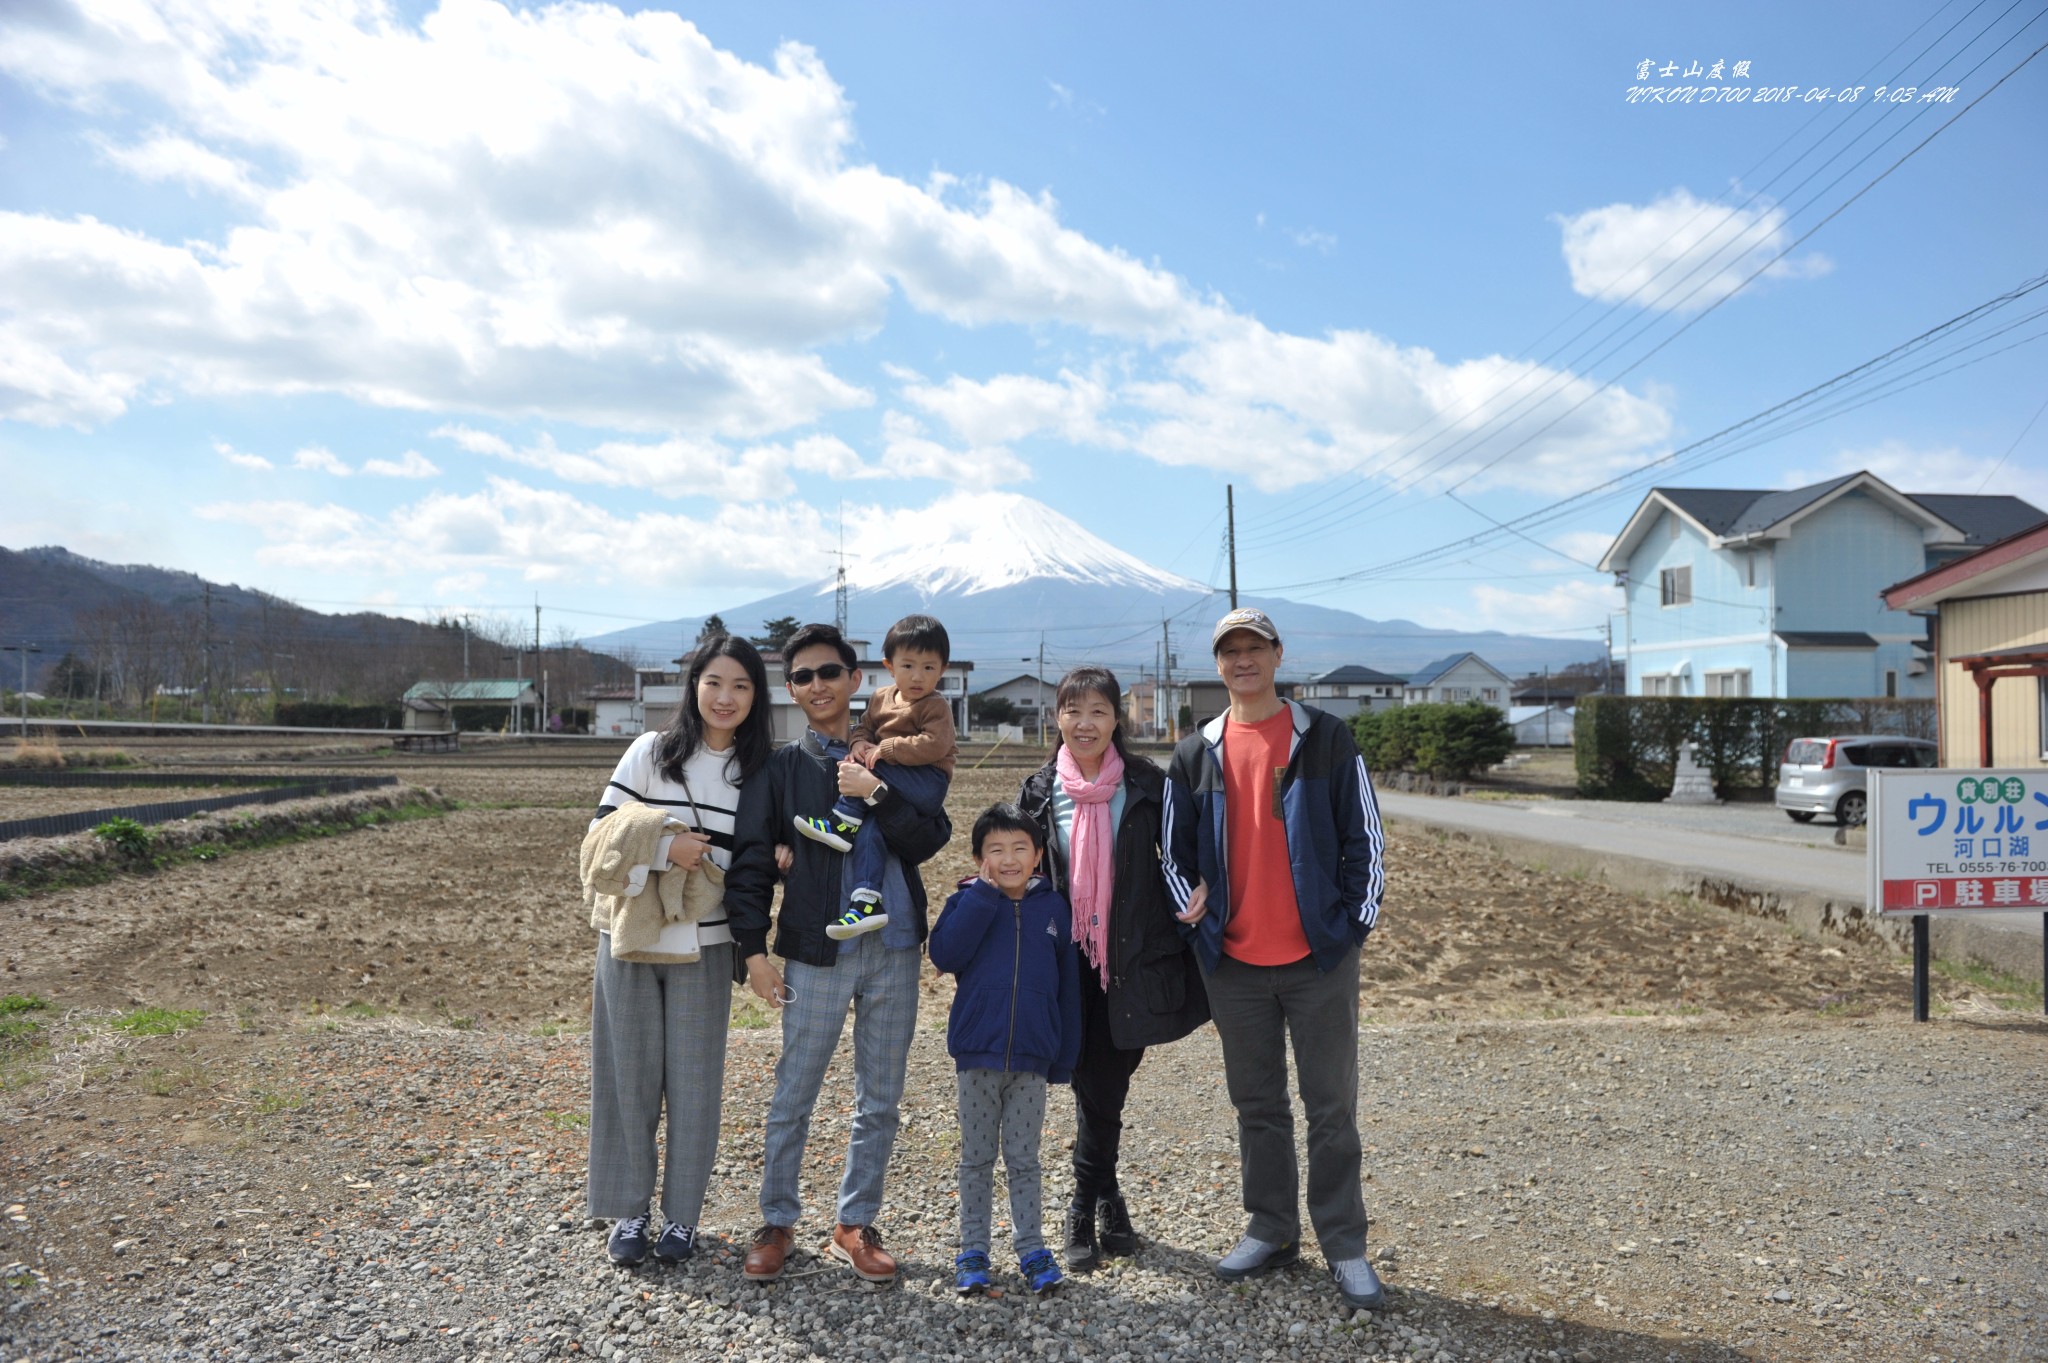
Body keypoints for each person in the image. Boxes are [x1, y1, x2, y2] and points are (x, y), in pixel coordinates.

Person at [1162, 606, 1390, 1314]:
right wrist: (1191, 907)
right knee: (1256, 1104)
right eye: (1230, 651)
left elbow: (1366, 838)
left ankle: (1344, 1242)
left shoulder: (1324, 737)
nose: (1243, 661)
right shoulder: (1197, 749)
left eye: (1254, 647)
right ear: (1219, 663)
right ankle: (1271, 1227)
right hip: (1232, 962)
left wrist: (1352, 925)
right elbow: (1171, 850)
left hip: (1317, 958)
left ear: (1277, 655)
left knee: (1331, 1107)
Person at [725, 622, 953, 1285]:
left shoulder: (894, 749)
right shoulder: (783, 766)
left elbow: (930, 833)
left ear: (858, 679)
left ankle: (855, 1222)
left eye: (830, 671)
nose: (818, 684)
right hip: (815, 949)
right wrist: (753, 949)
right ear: (791, 689)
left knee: (879, 1096)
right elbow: (749, 862)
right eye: (803, 676)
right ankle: (777, 1219)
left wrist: (876, 790)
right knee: (794, 1086)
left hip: (896, 943)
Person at [583, 634, 774, 1268]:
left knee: (695, 1087)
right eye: (715, 682)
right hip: (631, 940)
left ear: (757, 696)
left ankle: (682, 1221)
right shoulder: (649, 754)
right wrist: (668, 849)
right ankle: (631, 1211)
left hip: (708, 946)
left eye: (741, 686)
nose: (726, 697)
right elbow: (599, 837)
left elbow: (753, 864)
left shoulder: (757, 772)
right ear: (694, 686)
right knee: (627, 1079)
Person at [1015, 666, 1209, 1270]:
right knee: (1091, 1079)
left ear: (1116, 719)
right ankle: (1097, 1200)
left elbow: (1182, 854)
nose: (1085, 723)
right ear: (1058, 720)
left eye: (1098, 711)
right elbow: (1021, 867)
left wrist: (1198, 890)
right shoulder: (1041, 790)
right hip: (1067, 960)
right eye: (1073, 711)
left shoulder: (1150, 785)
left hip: (1131, 960)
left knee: (1108, 1081)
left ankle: (1091, 1198)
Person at [927, 802, 1081, 1297]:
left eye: (1020, 848)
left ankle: (1032, 1249)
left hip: (1032, 1061)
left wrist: (1065, 1056)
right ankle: (973, 1250)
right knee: (975, 1159)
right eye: (996, 850)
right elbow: (945, 954)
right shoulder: (967, 902)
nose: (1009, 859)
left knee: (1023, 1158)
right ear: (979, 859)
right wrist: (983, 897)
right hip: (978, 1055)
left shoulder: (1054, 908)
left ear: (1038, 855)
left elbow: (1068, 990)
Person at [790, 613, 956, 943]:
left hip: (927, 783)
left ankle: (842, 820)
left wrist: (885, 749)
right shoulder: (882, 698)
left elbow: (936, 744)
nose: (918, 676)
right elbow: (864, 726)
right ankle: (866, 900)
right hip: (894, 780)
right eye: (908, 666)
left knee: (863, 768)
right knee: (870, 831)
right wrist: (861, 742)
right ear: (890, 666)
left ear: (943, 669)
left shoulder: (935, 706)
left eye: (929, 667)